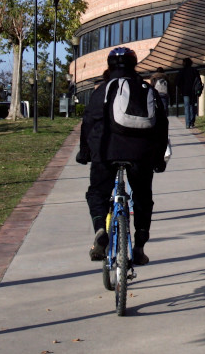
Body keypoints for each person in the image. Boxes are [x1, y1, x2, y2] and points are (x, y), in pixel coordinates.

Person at [76, 47, 168, 266]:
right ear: (134, 65)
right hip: (141, 153)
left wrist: (85, 152)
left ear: (109, 66)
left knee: (97, 193)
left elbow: (88, 122)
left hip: (107, 151)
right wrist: (158, 157)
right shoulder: (146, 89)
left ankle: (100, 230)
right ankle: (139, 246)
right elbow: (161, 125)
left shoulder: (103, 90)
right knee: (143, 197)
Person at [176, 57, 200, 129]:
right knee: (192, 106)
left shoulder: (182, 71)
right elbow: (198, 80)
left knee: (187, 107)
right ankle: (192, 122)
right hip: (193, 91)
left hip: (185, 91)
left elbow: (177, 82)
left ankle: (187, 123)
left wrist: (181, 88)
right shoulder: (194, 70)